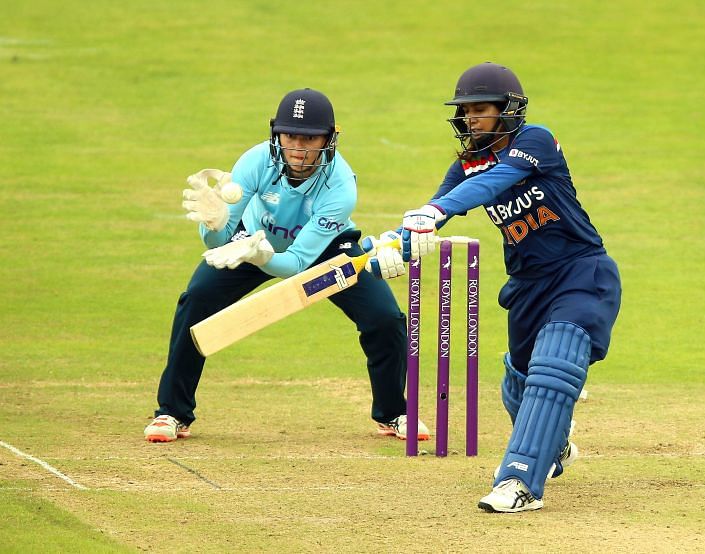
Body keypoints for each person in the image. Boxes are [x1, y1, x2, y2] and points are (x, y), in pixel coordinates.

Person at [394, 62, 622, 512]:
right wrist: (398, 244)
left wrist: (437, 211)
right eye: (466, 111)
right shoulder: (465, 166)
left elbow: (489, 185)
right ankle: (553, 445)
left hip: (580, 272)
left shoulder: (535, 140)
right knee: (518, 387)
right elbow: (432, 213)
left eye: (481, 110)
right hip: (527, 288)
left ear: (509, 110)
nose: (471, 119)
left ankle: (518, 483)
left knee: (554, 366)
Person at [144, 88, 430, 444]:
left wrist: (262, 256)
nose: (298, 147)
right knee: (197, 300)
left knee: (384, 317)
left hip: (326, 249)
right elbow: (218, 246)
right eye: (290, 136)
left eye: (309, 138)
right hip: (248, 241)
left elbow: (296, 265)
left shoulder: (340, 185)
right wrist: (214, 226)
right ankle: (172, 412)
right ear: (276, 135)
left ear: (328, 139)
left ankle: (393, 412)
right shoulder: (253, 162)